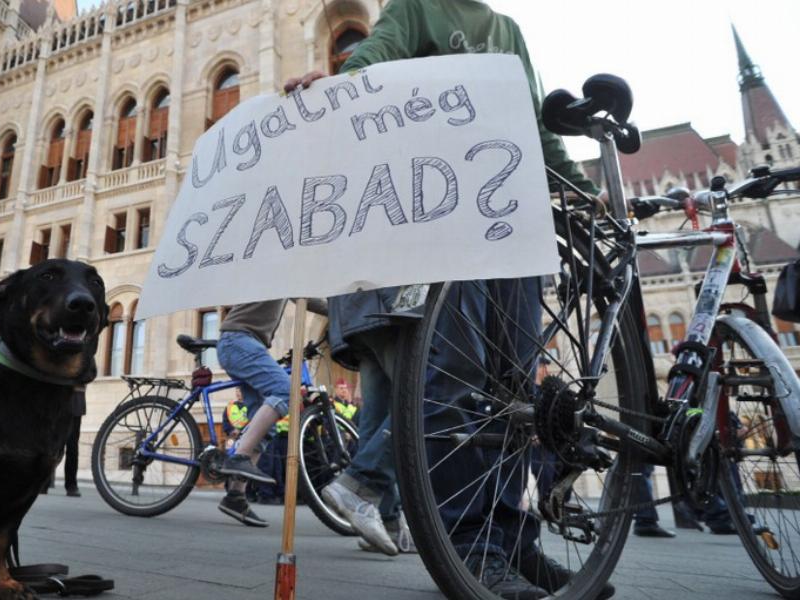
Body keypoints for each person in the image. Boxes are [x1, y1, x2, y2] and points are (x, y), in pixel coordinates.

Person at [285, 1, 610, 597]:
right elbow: (375, 58)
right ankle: (472, 547)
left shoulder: (508, 31)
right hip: (444, 214)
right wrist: (340, 87)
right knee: (456, 384)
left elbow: (533, 126)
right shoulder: (416, 8)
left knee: (516, 395)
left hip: (513, 219)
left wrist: (583, 192)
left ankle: (514, 541)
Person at [321, 285, 423, 556]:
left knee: (376, 419)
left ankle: (386, 519)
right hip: (388, 305)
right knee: (422, 399)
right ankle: (361, 485)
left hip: (356, 314)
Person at [213, 298, 326, 527]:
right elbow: (306, 298)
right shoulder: (277, 265)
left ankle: (235, 496)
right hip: (239, 341)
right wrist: (340, 307)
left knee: (267, 425)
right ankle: (240, 457)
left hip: (245, 343)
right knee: (287, 391)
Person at [63, 384, 86, 497]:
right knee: (51, 444)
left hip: (75, 398)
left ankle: (71, 484)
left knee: (72, 446)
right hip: (57, 396)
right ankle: (44, 483)